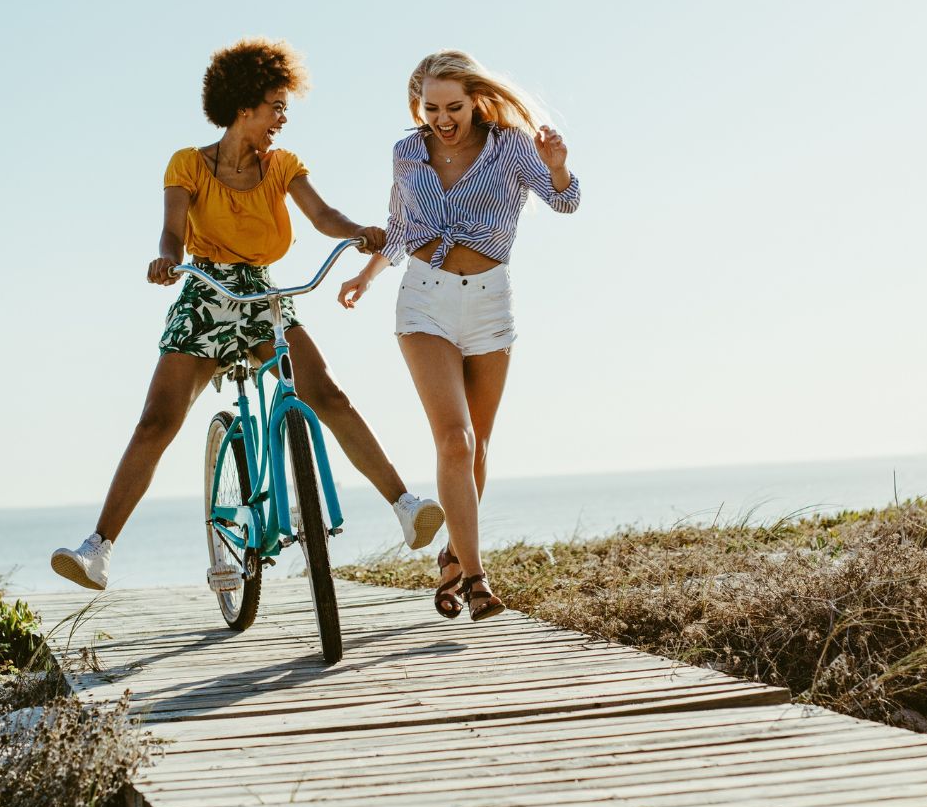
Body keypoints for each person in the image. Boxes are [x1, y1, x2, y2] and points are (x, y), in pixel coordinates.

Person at [52, 38, 443, 590]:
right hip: (205, 292)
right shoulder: (188, 164)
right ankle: (97, 549)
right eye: (276, 106)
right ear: (243, 108)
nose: (282, 118)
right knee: (156, 422)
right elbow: (171, 232)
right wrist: (167, 262)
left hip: (260, 295)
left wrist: (356, 231)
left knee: (327, 395)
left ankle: (405, 506)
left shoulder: (283, 166)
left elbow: (322, 214)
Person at [337, 50, 580, 620]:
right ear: (417, 105)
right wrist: (367, 275)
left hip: (492, 302)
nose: (442, 119)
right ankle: (476, 578)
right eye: (430, 108)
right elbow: (400, 227)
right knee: (456, 440)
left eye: (453, 107)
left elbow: (565, 202)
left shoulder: (512, 146)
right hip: (424, 301)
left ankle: (451, 557)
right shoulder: (406, 153)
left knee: (479, 447)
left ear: (475, 99)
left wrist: (558, 164)